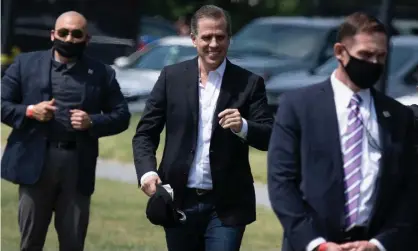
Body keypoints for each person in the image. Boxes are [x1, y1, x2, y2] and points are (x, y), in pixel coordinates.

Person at [267, 12, 418, 251]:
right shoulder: (298, 106)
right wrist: (316, 244)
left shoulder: (397, 116)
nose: (374, 63)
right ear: (340, 52)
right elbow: (281, 183)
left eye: (381, 56)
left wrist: (379, 244)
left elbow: (409, 191)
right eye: (365, 55)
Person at [132, 4, 273, 251]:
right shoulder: (171, 77)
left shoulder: (249, 83)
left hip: (226, 206)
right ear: (194, 39)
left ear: (229, 38)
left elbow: (270, 136)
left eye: (220, 37)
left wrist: (244, 126)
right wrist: (147, 172)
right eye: (207, 37)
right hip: (178, 200)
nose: (214, 44)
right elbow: (145, 133)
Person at [1, 11, 130, 251]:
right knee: (30, 241)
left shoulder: (101, 73)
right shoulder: (25, 64)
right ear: (53, 35)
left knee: (73, 242)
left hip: (76, 164)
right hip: (35, 163)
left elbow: (122, 116)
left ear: (86, 39)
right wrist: (30, 111)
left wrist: (92, 121)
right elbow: (1, 104)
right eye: (63, 33)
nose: (69, 39)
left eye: (76, 34)